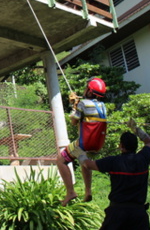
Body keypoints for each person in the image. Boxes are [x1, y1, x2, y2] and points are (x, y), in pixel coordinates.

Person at [79, 119, 150, 230]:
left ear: (121, 146)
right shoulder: (143, 158)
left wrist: (80, 153)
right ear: (135, 146)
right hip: (138, 214)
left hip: (117, 213)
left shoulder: (113, 161)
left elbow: (88, 164)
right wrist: (136, 129)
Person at [57, 77, 107, 205]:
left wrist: (74, 107)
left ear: (89, 91)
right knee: (84, 161)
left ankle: (70, 192)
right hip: (97, 144)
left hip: (84, 143)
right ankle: (88, 190)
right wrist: (78, 105)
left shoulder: (83, 104)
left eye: (86, 88)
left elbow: (74, 122)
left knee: (61, 160)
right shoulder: (102, 106)